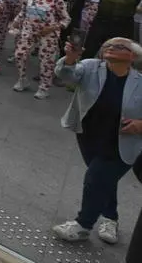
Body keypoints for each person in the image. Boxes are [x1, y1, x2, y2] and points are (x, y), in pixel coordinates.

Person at [52, 38, 142, 246]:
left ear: (133, 57)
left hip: (123, 144)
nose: (112, 47)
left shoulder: (139, 81)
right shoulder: (91, 67)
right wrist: (71, 59)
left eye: (120, 46)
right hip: (89, 136)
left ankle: (83, 225)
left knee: (95, 178)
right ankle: (110, 218)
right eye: (109, 45)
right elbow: (66, 75)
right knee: (104, 180)